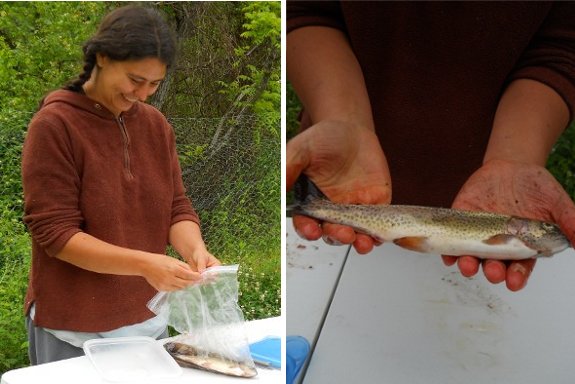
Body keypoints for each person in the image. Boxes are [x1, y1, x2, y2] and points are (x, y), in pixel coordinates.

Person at [287, 1, 575, 292]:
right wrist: (342, 118)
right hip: (340, 178)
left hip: (484, 181)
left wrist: (516, 155)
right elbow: (304, 10)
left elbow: (561, 48)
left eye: (549, 229)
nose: (552, 232)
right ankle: (313, 204)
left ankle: (314, 206)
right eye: (547, 228)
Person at [21, 6, 220, 365]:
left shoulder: (156, 126)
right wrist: (146, 265)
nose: (142, 94)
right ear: (101, 57)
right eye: (134, 79)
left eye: (154, 84)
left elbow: (177, 206)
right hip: (74, 329)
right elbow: (55, 234)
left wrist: (195, 250)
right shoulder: (54, 125)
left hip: (149, 323)